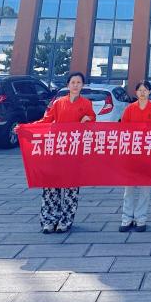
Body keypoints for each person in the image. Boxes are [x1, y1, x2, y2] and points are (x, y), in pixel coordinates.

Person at [31, 71, 95, 234]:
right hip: (57, 149)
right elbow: (46, 120)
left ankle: (65, 220)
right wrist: (27, 128)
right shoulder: (59, 103)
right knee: (51, 186)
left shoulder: (86, 103)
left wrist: (88, 119)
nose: (75, 85)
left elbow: (92, 121)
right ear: (68, 85)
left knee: (71, 188)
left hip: (74, 151)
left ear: (82, 85)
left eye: (78, 82)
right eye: (73, 82)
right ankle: (49, 220)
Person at [118, 80, 151, 233]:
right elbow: (123, 129)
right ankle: (126, 218)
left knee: (144, 189)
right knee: (129, 188)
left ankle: (141, 218)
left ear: (149, 92)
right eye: (140, 90)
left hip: (147, 154)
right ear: (136, 92)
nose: (142, 93)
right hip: (132, 153)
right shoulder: (130, 109)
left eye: (145, 90)